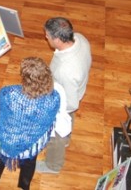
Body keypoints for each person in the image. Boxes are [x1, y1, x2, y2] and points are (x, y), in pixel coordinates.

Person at [0, 57, 60, 190]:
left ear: (24, 78)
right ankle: (24, 186)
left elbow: (2, 115)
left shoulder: (8, 93)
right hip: (32, 145)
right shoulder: (53, 99)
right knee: (29, 164)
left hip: (7, 140)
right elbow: (50, 121)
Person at [36, 17, 92, 174]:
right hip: (74, 89)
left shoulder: (65, 70)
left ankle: (53, 166)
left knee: (56, 133)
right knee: (69, 119)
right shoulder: (80, 39)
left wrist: (52, 109)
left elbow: (71, 104)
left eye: (47, 35)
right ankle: (66, 139)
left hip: (64, 102)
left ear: (58, 40)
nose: (45, 37)